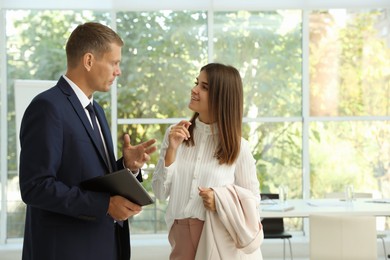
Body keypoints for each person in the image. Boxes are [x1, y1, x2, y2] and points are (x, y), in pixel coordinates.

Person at [19, 22, 157, 260]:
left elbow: (89, 177)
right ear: (89, 60)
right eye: (114, 63)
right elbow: (35, 186)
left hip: (103, 247)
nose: (118, 71)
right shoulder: (47, 107)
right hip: (65, 251)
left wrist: (126, 166)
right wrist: (104, 205)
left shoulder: (97, 110)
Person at [152, 63, 263, 259]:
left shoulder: (239, 147)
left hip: (219, 239)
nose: (194, 90)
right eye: (197, 83)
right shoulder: (174, 135)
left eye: (205, 87)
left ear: (222, 97)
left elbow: (253, 203)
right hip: (181, 237)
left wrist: (220, 199)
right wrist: (171, 150)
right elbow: (160, 192)